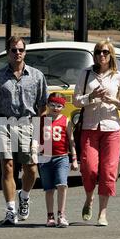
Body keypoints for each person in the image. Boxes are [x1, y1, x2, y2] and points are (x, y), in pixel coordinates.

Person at [0, 36, 47, 225]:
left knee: (31, 168)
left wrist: (39, 130)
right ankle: (10, 209)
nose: (17, 53)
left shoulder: (37, 76)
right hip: (4, 123)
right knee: (8, 167)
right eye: (13, 50)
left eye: (20, 50)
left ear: (25, 52)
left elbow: (43, 106)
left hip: (27, 123)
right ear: (8, 53)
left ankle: (24, 196)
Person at [72, 40, 120, 227]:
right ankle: (89, 198)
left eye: (105, 52)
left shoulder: (119, 77)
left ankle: (102, 213)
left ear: (111, 54)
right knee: (89, 168)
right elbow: (75, 101)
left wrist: (113, 101)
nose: (101, 55)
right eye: (98, 52)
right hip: (89, 127)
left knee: (108, 171)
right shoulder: (86, 74)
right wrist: (91, 97)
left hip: (112, 128)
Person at [38, 93, 79, 228]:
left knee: (62, 184)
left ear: (63, 106)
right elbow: (35, 139)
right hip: (45, 158)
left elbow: (72, 141)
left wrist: (74, 159)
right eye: (52, 105)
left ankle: (61, 215)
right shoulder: (42, 120)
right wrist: (34, 152)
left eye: (59, 106)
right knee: (49, 189)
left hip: (61, 157)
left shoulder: (65, 120)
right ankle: (50, 216)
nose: (55, 108)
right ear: (48, 105)